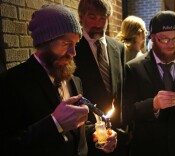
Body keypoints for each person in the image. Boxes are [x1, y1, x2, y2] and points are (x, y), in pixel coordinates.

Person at [0, 4, 116, 156]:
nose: (73, 53)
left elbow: (75, 130)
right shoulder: (13, 82)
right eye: (66, 44)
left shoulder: (74, 80)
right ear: (44, 42)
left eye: (75, 44)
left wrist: (96, 135)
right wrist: (54, 124)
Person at [123, 11, 175, 156]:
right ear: (152, 38)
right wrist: (153, 104)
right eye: (164, 39)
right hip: (148, 148)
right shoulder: (133, 68)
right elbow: (126, 112)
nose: (171, 44)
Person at [74, 0, 127, 155]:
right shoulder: (72, 48)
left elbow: (122, 88)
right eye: (92, 17)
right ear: (81, 17)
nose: (98, 23)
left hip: (118, 132)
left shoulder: (118, 47)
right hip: (89, 135)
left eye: (102, 18)